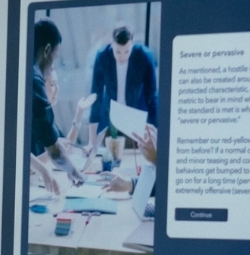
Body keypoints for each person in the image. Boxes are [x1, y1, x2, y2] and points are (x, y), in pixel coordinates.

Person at [30, 19, 84, 192]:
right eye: (56, 56)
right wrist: (74, 172)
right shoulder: (34, 80)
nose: (53, 65)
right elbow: (55, 152)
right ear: (47, 50)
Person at [88, 25, 159, 153]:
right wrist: (91, 142)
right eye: (118, 52)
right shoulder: (102, 56)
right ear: (112, 43)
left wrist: (157, 136)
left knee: (137, 155)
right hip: (110, 119)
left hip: (135, 118)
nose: (122, 56)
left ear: (133, 43)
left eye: (127, 51)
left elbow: (152, 98)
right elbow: (95, 96)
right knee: (109, 156)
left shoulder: (144, 56)